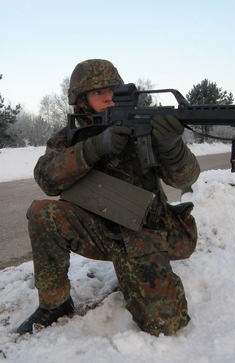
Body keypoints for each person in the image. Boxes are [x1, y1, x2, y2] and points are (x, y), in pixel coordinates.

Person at [17, 59, 200, 336]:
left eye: (113, 89)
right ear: (81, 101)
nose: (108, 97)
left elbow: (185, 179)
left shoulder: (146, 124)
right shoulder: (70, 136)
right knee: (43, 213)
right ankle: (54, 304)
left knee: (165, 323)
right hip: (98, 229)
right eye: (97, 92)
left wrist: (171, 145)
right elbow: (47, 179)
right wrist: (92, 148)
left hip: (143, 230)